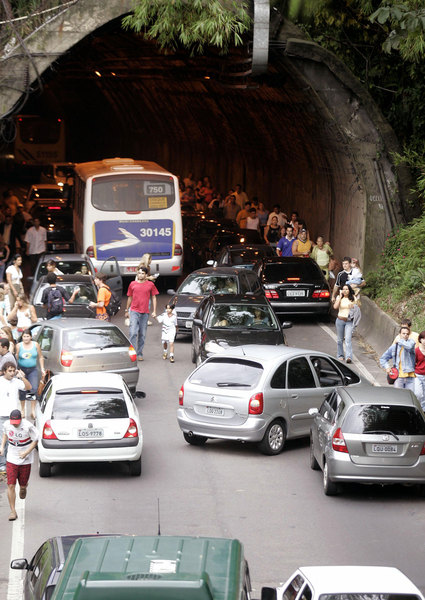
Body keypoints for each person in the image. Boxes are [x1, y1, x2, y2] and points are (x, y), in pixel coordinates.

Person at [0, 409, 38, 521]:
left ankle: (24, 487)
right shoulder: (7, 424)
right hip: (11, 457)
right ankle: (13, 511)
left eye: (16, 423)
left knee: (22, 487)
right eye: (13, 422)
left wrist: (26, 452)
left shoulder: (28, 426)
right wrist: (2, 446)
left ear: (21, 420)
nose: (14, 425)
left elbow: (35, 440)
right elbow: (5, 434)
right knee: (11, 485)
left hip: (25, 459)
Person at [0, 363, 31, 475]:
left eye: (13, 370)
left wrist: (21, 376)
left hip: (13, 417)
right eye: (10, 371)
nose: (12, 373)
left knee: (12, 440)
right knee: (2, 442)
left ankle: (9, 463)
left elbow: (28, 387)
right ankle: (3, 465)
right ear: (4, 371)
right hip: (1, 416)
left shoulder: (16, 381)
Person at [125, 267, 158, 361]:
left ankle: (139, 353)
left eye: (142, 273)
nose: (140, 275)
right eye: (139, 273)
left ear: (146, 275)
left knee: (142, 334)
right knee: (132, 332)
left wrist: (154, 311)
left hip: (145, 312)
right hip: (134, 311)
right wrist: (126, 310)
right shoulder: (132, 284)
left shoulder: (150, 285)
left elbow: (154, 297)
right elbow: (129, 298)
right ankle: (133, 353)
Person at [15, 329, 46, 419]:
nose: (26, 338)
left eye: (28, 336)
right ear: (22, 337)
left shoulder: (35, 345)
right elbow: (16, 358)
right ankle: (22, 409)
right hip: (22, 370)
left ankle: (32, 409)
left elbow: (40, 357)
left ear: (31, 337)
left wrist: (42, 368)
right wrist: (17, 370)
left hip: (32, 369)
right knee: (22, 389)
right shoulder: (18, 346)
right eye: (24, 336)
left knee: (33, 388)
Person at [380, 325, 416, 390]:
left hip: (410, 377)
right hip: (398, 377)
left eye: (407, 334)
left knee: (410, 397)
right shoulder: (394, 347)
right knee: (399, 398)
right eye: (403, 333)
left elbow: (409, 347)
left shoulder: (411, 343)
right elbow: (383, 358)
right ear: (399, 334)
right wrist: (387, 367)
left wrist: (399, 341)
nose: (405, 335)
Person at [333, 283, 357, 363]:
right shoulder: (339, 297)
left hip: (349, 321)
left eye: (347, 289)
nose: (345, 291)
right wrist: (339, 297)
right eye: (344, 289)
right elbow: (335, 307)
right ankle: (340, 355)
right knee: (340, 339)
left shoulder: (353, 298)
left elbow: (357, 309)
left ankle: (349, 357)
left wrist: (353, 307)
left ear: (349, 290)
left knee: (348, 339)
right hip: (340, 320)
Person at [414, 331, 425, 410]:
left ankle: (423, 410)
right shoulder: (416, 351)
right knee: (419, 394)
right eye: (423, 339)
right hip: (418, 375)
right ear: (420, 340)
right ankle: (417, 407)